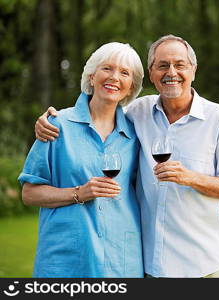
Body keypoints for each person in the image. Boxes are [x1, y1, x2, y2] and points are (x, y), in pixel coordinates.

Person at [34, 34, 219, 278]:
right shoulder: (136, 113)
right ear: (152, 72)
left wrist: (191, 178)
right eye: (163, 65)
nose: (171, 72)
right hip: (149, 265)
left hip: (201, 264)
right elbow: (101, 109)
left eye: (180, 65)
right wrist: (49, 119)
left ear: (193, 70)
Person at [18, 42, 145, 277]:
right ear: (91, 76)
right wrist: (78, 193)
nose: (115, 77)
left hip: (121, 263)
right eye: (107, 68)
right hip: (66, 260)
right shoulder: (56, 125)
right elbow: (29, 193)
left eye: (125, 73)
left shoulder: (138, 135)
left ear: (131, 88)